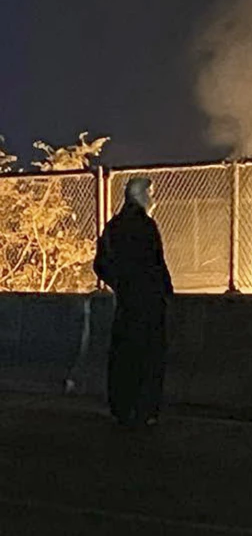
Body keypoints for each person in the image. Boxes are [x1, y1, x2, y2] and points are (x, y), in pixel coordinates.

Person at [93, 177, 173, 428]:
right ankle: (144, 408)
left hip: (126, 302)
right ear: (140, 196)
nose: (154, 198)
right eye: (151, 193)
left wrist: (119, 283)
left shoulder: (113, 226)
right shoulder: (146, 226)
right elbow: (156, 263)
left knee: (123, 354)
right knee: (149, 356)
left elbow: (100, 264)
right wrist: (164, 292)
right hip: (148, 302)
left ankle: (122, 406)